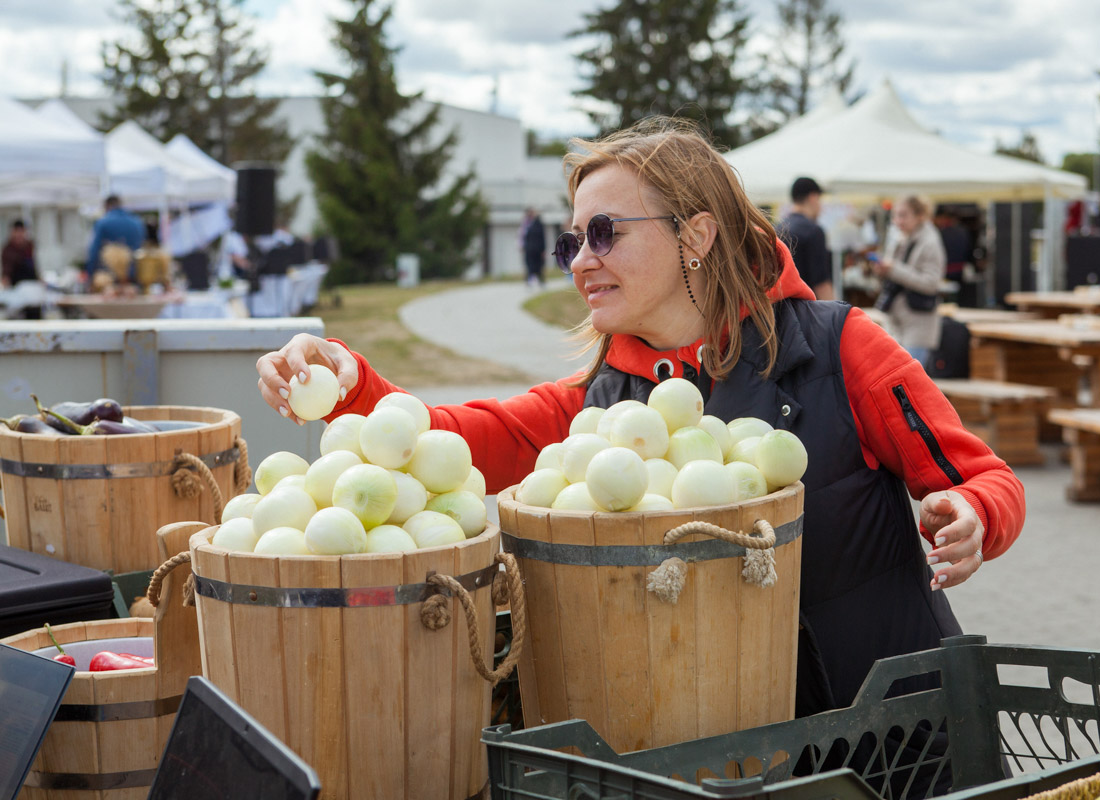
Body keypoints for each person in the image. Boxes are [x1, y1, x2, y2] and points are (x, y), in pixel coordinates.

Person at [255, 117, 1023, 766]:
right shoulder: (605, 406)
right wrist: (350, 384)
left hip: (898, 742)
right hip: (730, 757)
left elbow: (986, 477)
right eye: (571, 242)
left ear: (696, 235)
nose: (582, 259)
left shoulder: (842, 347)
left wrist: (972, 514)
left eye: (604, 233)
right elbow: (458, 440)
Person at [872, 195, 947, 369]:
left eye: (903, 215)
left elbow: (931, 283)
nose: (898, 221)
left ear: (920, 216)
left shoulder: (930, 242)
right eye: (895, 215)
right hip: (896, 323)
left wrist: (893, 269)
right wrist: (882, 271)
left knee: (908, 383)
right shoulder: (899, 239)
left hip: (918, 324)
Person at [776, 177, 833, 300]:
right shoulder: (813, 231)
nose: (820, 207)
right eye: (819, 200)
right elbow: (821, 283)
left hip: (780, 307)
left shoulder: (777, 229)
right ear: (812, 197)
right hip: (807, 308)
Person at [86, 195, 145, 284]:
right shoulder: (137, 222)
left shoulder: (103, 222)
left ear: (106, 206)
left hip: (109, 276)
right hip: (133, 274)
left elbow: (94, 250)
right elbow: (141, 248)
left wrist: (90, 274)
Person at [1, 220, 37, 287]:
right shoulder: (8, 250)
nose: (19, 235)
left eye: (21, 231)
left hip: (32, 283)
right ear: (12, 232)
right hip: (16, 285)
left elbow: (33, 266)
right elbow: (6, 269)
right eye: (17, 231)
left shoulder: (29, 246)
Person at [521, 207, 547, 288]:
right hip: (529, 249)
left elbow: (542, 237)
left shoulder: (538, 223)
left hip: (538, 249)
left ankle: (540, 281)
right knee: (529, 265)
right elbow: (523, 237)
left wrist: (543, 249)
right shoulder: (526, 224)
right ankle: (529, 280)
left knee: (539, 265)